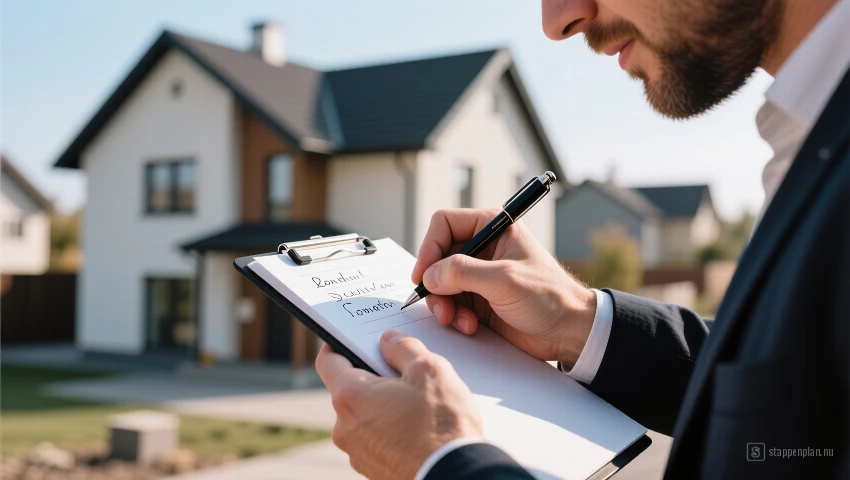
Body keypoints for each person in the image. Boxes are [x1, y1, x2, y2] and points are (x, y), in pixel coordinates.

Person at [315, 0, 850, 478]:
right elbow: (813, 390)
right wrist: (579, 321)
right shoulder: (813, 133)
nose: (556, 21)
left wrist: (444, 464)